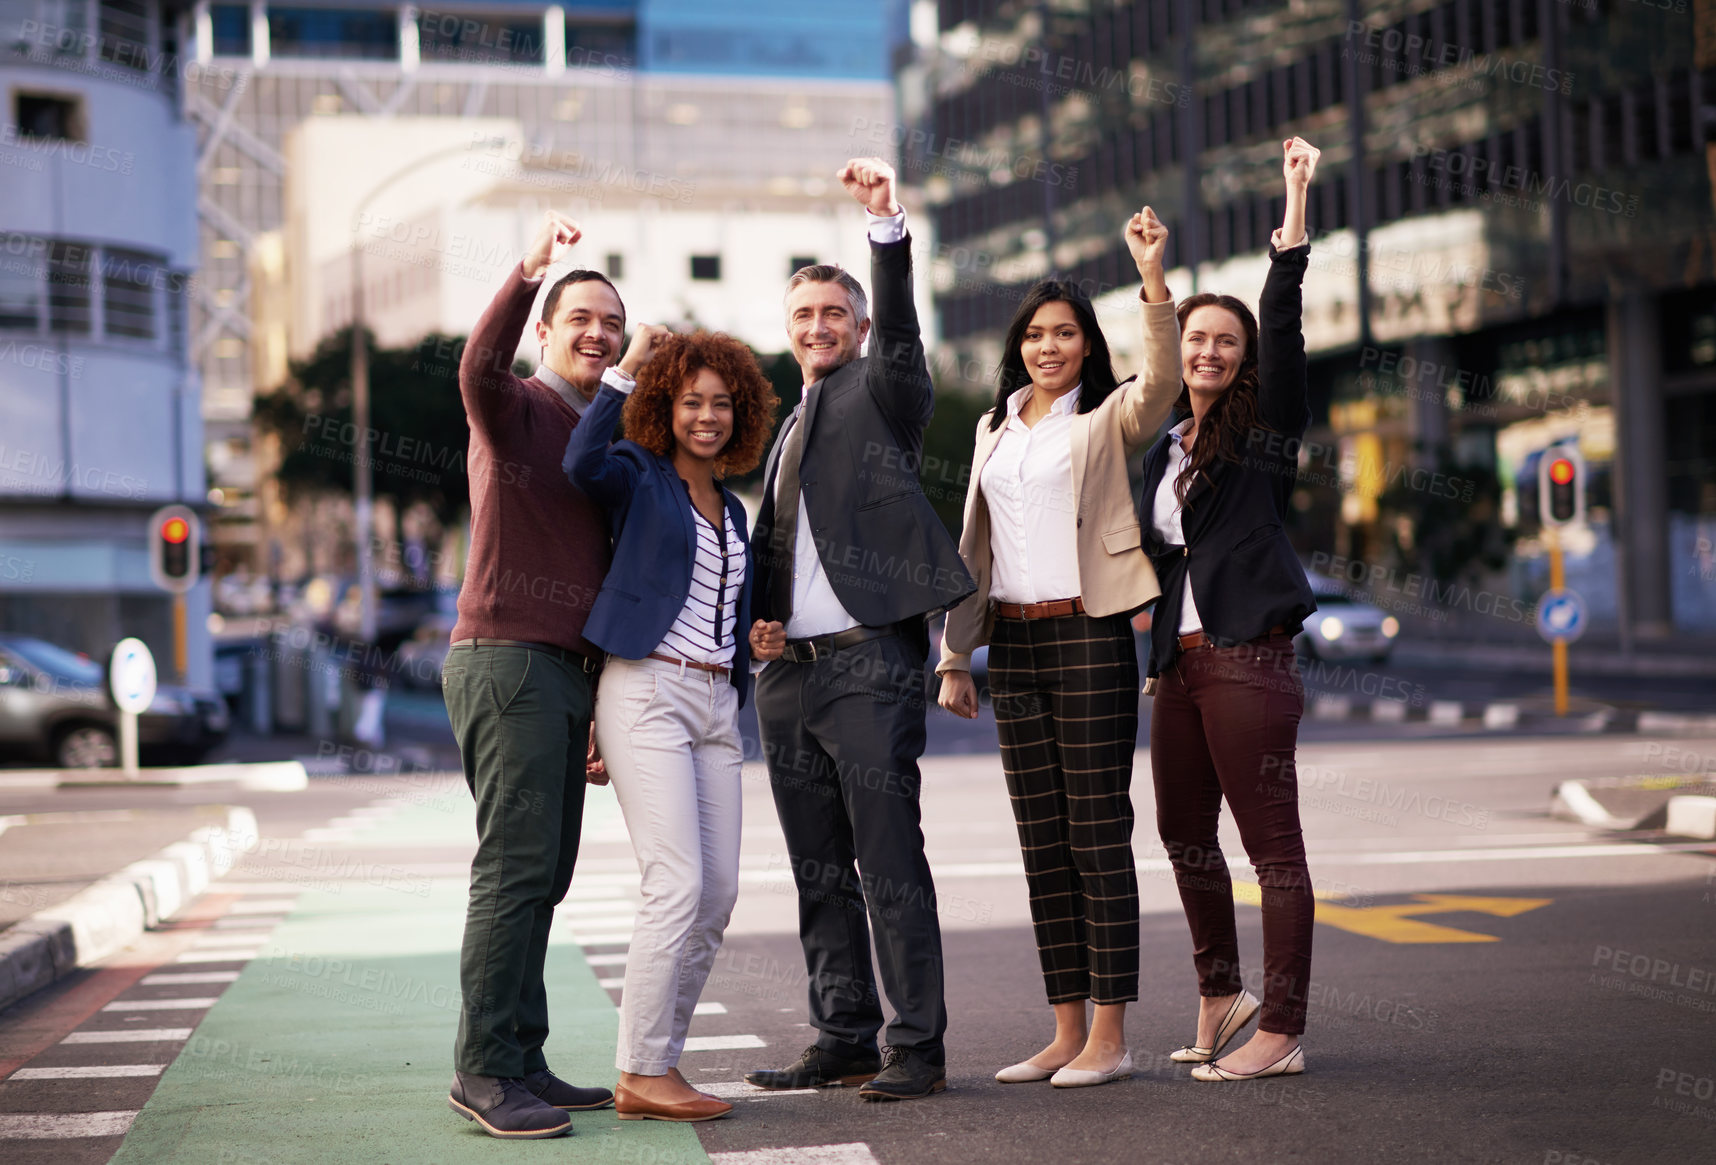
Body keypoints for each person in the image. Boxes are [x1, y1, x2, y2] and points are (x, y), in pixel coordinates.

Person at [742, 157, 976, 1103]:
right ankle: (842, 1032)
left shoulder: (884, 393)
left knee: (886, 862)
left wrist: (886, 230)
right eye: (802, 317)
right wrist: (761, 625)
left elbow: (907, 341)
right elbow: (788, 541)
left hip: (869, 667)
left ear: (861, 327)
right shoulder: (789, 420)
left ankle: (915, 1045)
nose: (816, 328)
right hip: (789, 678)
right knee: (818, 869)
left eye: (833, 314)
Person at [935, 208, 1180, 1088]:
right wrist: (956, 656)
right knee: (1041, 840)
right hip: (1017, 644)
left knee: (1096, 834)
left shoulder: (1108, 418)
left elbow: (1164, 379)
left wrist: (1151, 276)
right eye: (1035, 334)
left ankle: (1111, 1039)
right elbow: (975, 549)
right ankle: (1065, 1029)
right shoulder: (993, 426)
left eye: (1064, 333)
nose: (1048, 347)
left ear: (1086, 345)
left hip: (1089, 632)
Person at [563, 328, 779, 1123]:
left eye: (723, 403)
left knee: (716, 892)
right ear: (665, 405)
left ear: (742, 413)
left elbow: (726, 605)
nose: (708, 415)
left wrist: (757, 634)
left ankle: (659, 1059)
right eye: (692, 400)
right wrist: (622, 371)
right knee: (676, 880)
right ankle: (642, 1069)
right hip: (647, 692)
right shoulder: (637, 474)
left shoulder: (735, 509)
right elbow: (578, 464)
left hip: (717, 702)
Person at [1141, 137, 1322, 1082]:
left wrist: (1291, 214)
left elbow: (1285, 334)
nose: (1206, 352)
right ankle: (1221, 993)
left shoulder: (1260, 437)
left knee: (1273, 853)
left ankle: (1283, 1029)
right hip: (1179, 664)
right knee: (1179, 830)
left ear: (1240, 357)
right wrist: (1155, 277)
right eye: (1195, 339)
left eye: (1224, 341)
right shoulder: (1166, 443)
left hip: (1249, 657)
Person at [443, 211, 618, 1139]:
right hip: (505, 659)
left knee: (544, 875)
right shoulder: (514, 407)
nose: (597, 332)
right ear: (546, 330)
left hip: (563, 672)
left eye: (611, 322)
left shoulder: (604, 432)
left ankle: (522, 1056)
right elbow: (474, 368)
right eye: (579, 316)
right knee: (513, 872)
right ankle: (481, 1069)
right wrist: (525, 271)